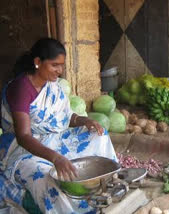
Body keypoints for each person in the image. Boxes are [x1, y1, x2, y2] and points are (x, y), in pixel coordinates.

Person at [0, 38, 117, 213]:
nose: (60, 71)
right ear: (38, 62)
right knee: (48, 178)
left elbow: (64, 117)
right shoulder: (21, 89)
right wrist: (55, 158)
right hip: (24, 150)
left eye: (61, 65)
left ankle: (105, 187)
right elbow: (23, 137)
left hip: (53, 138)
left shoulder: (51, 85)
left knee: (98, 135)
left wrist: (84, 121)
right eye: (55, 65)